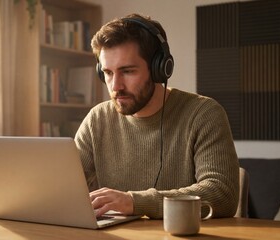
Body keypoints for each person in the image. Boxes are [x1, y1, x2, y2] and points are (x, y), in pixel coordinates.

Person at [74, 13, 239, 219]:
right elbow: (64, 185)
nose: (115, 86)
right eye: (108, 73)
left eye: (128, 71)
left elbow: (223, 194)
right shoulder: (97, 120)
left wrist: (134, 202)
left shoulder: (204, 114)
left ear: (159, 68)